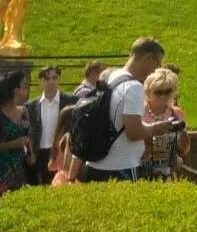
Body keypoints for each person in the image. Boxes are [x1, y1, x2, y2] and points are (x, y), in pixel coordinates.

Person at [85, 37, 171, 182]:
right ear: (149, 58)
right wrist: (157, 128)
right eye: (157, 63)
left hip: (95, 164)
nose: (156, 69)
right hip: (121, 168)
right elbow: (134, 132)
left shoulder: (109, 76)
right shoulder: (134, 87)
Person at [25, 65, 76, 184]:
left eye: (54, 78)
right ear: (40, 82)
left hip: (62, 153)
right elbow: (26, 133)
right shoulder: (31, 106)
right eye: (47, 79)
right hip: (39, 154)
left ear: (59, 79)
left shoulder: (71, 101)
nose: (51, 82)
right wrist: (29, 154)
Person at [138, 68, 188, 180]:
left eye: (168, 91)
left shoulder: (177, 113)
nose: (163, 96)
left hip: (168, 172)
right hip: (141, 169)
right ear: (148, 92)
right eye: (158, 92)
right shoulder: (139, 112)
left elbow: (184, 147)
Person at [0, 70, 31, 195]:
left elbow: (27, 138)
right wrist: (14, 144)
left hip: (21, 174)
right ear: (15, 90)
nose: (27, 89)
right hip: (3, 174)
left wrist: (30, 154)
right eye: (25, 85)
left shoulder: (24, 112)